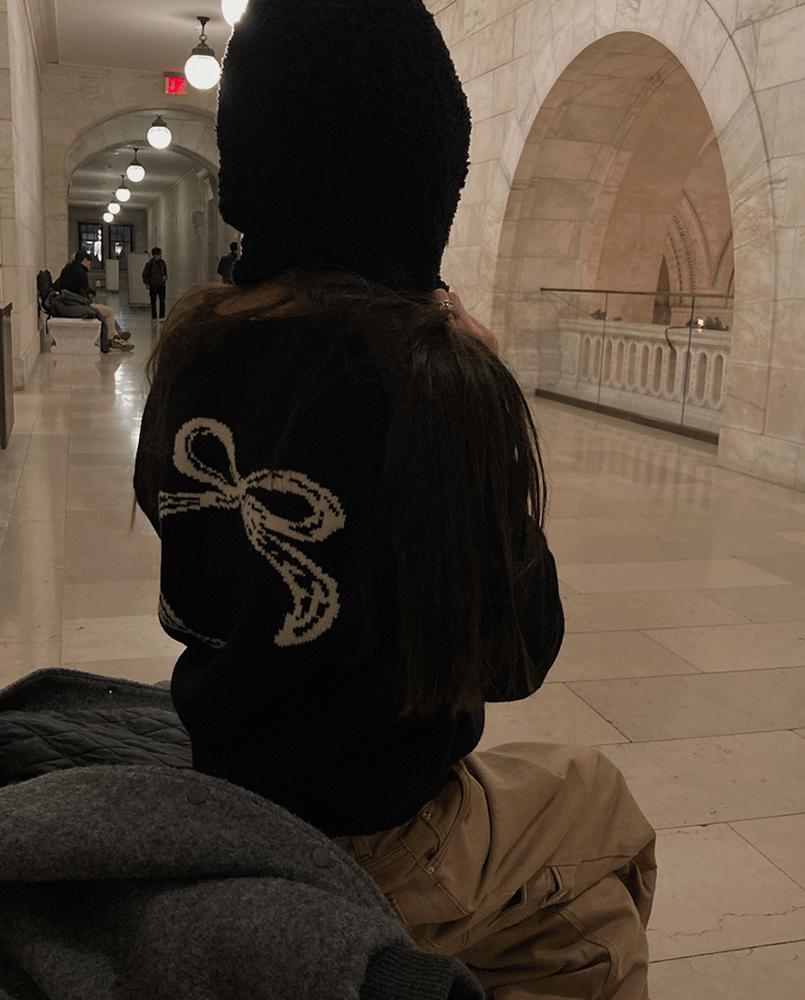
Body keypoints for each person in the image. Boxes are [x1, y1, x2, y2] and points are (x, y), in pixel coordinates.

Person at [134, 2, 656, 997]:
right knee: (597, 805)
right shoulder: (432, 379)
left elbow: (194, 585)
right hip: (384, 833)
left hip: (228, 784)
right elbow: (517, 654)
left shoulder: (193, 351)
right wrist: (487, 419)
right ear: (424, 182)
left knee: (579, 917)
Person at [53, 251, 133, 352]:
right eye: (89, 263)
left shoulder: (66, 270)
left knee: (104, 310)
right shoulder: (81, 273)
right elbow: (83, 294)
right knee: (109, 312)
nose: (90, 266)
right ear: (85, 261)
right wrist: (89, 298)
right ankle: (112, 339)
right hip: (77, 306)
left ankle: (117, 334)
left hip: (66, 303)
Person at [142, 247, 168, 320]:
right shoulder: (150, 264)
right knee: (153, 302)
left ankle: (162, 316)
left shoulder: (162, 263)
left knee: (162, 301)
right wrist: (147, 283)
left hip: (161, 285)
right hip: (153, 285)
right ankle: (154, 317)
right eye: (159, 254)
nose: (160, 256)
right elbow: (145, 274)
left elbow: (165, 273)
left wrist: (165, 278)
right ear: (155, 255)